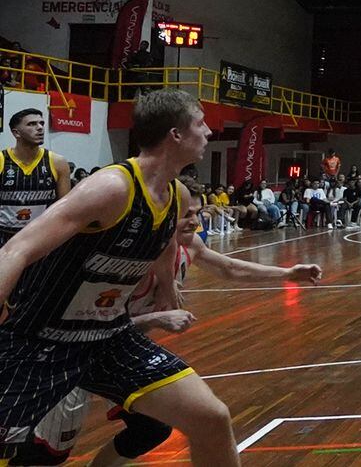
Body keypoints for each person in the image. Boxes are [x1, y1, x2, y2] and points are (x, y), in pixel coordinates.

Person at [0, 90, 242, 466]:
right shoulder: (111, 187)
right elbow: (16, 250)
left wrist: (167, 287)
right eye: (200, 123)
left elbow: (163, 242)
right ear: (175, 135)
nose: (209, 131)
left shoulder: (176, 195)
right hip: (39, 339)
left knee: (211, 418)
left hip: (108, 336)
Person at [18, 176, 322, 466]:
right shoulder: (133, 258)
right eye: (186, 214)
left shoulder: (189, 245)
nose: (195, 221)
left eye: (199, 213)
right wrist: (157, 317)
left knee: (152, 428)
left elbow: (229, 268)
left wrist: (286, 274)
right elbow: (91, 325)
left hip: (118, 353)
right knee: (48, 454)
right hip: (77, 348)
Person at [1, 109, 72, 243]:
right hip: (5, 237)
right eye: (32, 124)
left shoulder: (58, 162)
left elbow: (65, 208)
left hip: (42, 239)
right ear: (16, 133)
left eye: (41, 123)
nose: (39, 128)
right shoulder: (1, 160)